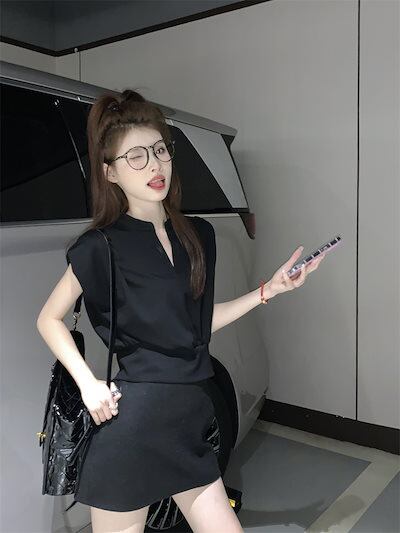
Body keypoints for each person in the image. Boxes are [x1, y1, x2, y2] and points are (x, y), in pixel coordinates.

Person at [36, 89, 325, 533]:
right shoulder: (101, 246)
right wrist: (88, 384)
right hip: (131, 429)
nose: (154, 165)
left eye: (159, 150)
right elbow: (49, 318)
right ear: (110, 172)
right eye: (136, 157)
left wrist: (269, 290)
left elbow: (197, 327)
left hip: (188, 422)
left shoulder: (197, 235)